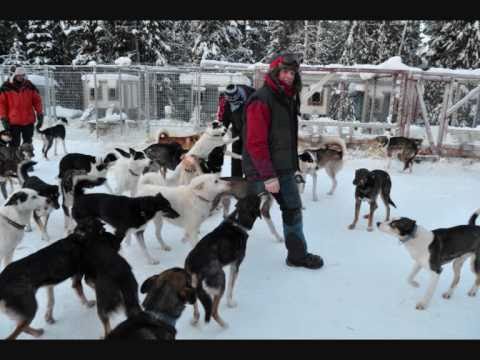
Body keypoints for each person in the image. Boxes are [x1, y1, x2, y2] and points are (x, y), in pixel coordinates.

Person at [242, 53, 324, 270]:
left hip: (283, 167)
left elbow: (282, 138)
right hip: (265, 169)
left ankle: (296, 255)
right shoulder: (262, 99)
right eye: (285, 72)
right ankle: (221, 252)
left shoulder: (286, 97)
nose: (289, 76)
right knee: (247, 211)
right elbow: (256, 142)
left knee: (291, 208)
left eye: (292, 72)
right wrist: (268, 175)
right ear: (276, 72)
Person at [0, 65, 44, 148]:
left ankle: (26, 160)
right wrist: (3, 118)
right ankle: (14, 160)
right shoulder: (6, 87)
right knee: (14, 144)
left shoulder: (29, 86)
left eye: (22, 75)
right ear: (13, 75)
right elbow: (1, 104)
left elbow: (37, 101)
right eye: (18, 75)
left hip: (28, 120)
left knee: (27, 144)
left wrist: (40, 114)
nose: (21, 77)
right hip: (13, 121)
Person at [217, 84, 255, 177]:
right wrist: (220, 135)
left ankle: (251, 179)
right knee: (236, 152)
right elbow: (224, 120)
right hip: (237, 129)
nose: (232, 102)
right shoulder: (226, 102)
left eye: (234, 100)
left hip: (252, 130)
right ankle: (235, 178)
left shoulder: (251, 95)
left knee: (249, 154)